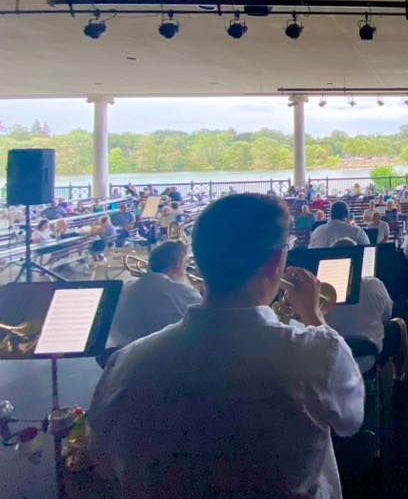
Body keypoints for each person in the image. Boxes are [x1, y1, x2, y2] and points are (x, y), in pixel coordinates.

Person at [88, 193, 364, 499]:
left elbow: (101, 461)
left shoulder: (125, 364)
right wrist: (313, 315)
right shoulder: (316, 353)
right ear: (275, 262)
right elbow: (350, 420)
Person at [325, 238, 408, 382]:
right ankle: (398, 376)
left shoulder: (320, 292)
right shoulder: (373, 284)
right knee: (399, 324)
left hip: (330, 362)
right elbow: (387, 314)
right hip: (369, 358)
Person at [109, 241, 202, 347]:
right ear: (178, 264)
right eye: (185, 264)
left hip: (122, 353)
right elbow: (204, 323)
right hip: (164, 355)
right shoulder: (182, 292)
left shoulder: (127, 286)